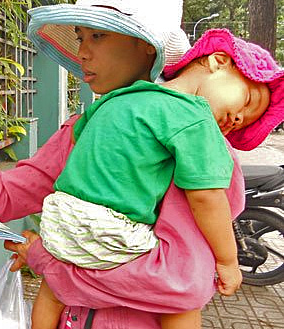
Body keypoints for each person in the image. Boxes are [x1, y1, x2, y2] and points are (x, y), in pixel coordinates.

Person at [0, 0, 284, 327]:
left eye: (97, 35)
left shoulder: (203, 155)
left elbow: (181, 283)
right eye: (82, 37)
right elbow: (6, 191)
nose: (82, 52)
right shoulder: (85, 128)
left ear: (147, 47)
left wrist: (47, 260)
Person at [32, 28, 273, 329]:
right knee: (182, 295)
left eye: (245, 122)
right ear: (218, 61)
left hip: (58, 214)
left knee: (54, 289)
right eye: (248, 100)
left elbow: (81, 141)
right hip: (109, 228)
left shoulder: (121, 97)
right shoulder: (195, 119)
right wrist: (228, 261)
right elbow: (206, 197)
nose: (238, 119)